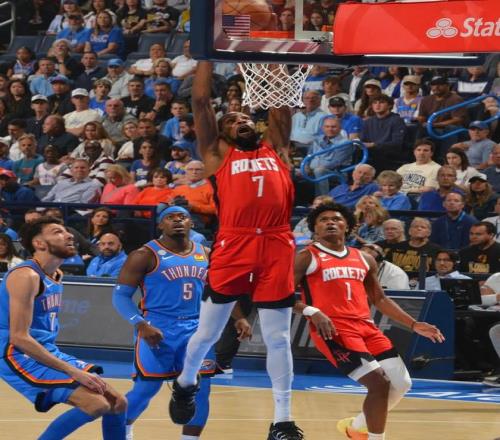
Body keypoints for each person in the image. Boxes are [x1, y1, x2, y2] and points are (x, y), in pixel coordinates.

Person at [168, 61, 304, 440]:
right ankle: (185, 382)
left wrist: (275, 59)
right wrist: (206, 55)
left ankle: (282, 420)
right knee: (208, 332)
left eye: (245, 118)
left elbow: (280, 102)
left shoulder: (276, 148)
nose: (240, 121)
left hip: (276, 243)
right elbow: (200, 102)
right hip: (234, 243)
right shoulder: (218, 156)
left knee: (278, 337)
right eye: (231, 120)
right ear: (222, 133)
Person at [293, 202, 443, 440]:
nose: (330, 222)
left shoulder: (364, 259)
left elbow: (379, 299)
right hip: (334, 330)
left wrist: (414, 324)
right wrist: (312, 311)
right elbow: (281, 297)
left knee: (402, 383)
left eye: (336, 219)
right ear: (315, 228)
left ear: (348, 226)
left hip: (366, 327)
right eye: (323, 220)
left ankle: (355, 428)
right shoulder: (305, 257)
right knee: (379, 383)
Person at [0, 217, 127, 439]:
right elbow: (19, 337)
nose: (69, 235)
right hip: (14, 352)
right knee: (96, 404)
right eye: (57, 232)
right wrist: (73, 371)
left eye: (67, 231)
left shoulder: (56, 274)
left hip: (42, 349)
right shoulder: (26, 275)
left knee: (118, 403)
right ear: (39, 243)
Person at [113, 206, 218, 440]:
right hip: (158, 328)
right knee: (147, 388)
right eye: (170, 217)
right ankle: (122, 431)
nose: (177, 220)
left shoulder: (206, 253)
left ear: (192, 224)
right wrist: (140, 324)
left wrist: (238, 318)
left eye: (183, 217)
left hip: (196, 329)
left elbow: (218, 291)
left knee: (200, 390)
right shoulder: (144, 254)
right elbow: (120, 297)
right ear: (160, 225)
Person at [361, 94, 407, 173]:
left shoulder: (397, 120)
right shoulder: (368, 122)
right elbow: (363, 141)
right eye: (375, 103)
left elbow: (397, 143)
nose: (377, 105)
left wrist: (374, 144)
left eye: (381, 102)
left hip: (390, 155)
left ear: (389, 105)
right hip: (372, 154)